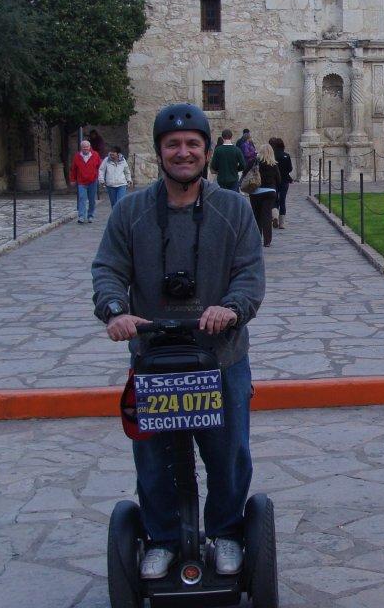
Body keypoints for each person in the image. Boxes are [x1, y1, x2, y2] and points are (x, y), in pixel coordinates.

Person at [91, 102, 265, 581]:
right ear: (159, 152)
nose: (183, 152)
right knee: (156, 457)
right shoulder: (131, 212)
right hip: (155, 360)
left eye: (192, 144)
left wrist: (230, 308)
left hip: (220, 357)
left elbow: (249, 273)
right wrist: (114, 310)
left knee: (228, 454)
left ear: (207, 151)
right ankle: (164, 537)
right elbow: (108, 269)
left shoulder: (233, 209)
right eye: (173, 145)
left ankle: (227, 532)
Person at [249, 144, 280, 247]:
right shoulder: (273, 165)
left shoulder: (255, 162)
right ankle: (267, 241)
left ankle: (257, 239)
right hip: (270, 192)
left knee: (257, 216)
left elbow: (246, 172)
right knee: (266, 216)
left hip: (256, 191)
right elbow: (278, 179)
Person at [70, 140, 102, 223]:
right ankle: (81, 216)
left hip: (92, 181)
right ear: (81, 148)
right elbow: (73, 169)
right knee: (82, 198)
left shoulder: (95, 155)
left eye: (87, 147)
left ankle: (90, 215)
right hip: (81, 182)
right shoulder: (77, 156)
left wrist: (99, 177)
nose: (85, 149)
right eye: (84, 148)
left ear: (89, 147)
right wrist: (72, 179)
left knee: (92, 200)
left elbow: (100, 167)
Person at [268, 137, 293, 229]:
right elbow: (290, 169)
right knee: (282, 200)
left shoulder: (271, 156)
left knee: (274, 200)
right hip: (285, 180)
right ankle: (282, 223)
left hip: (274, 181)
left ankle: (275, 216)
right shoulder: (286, 155)